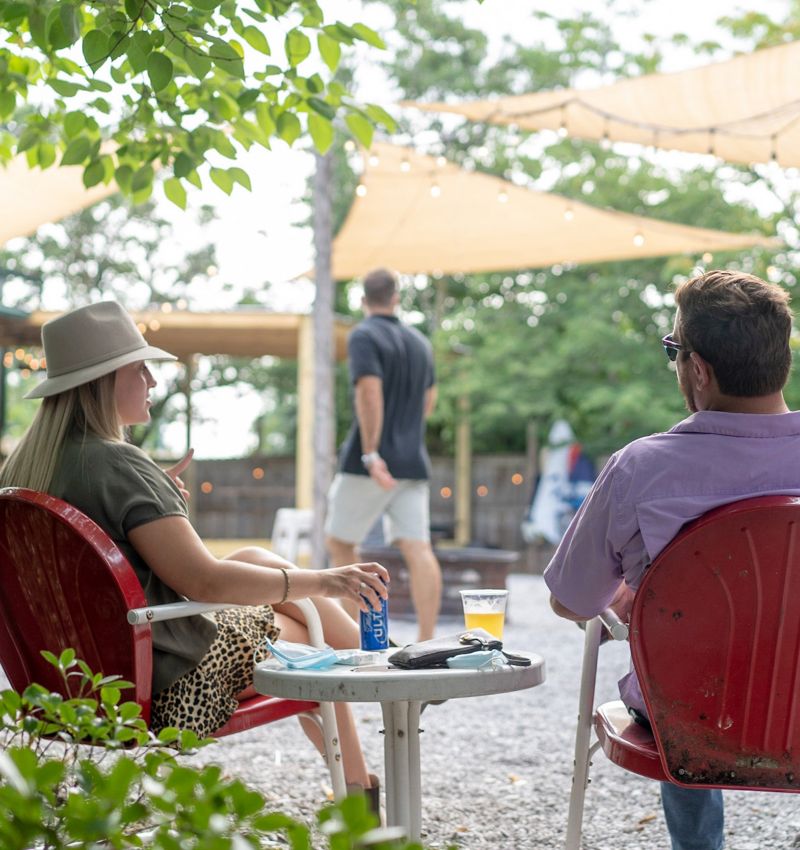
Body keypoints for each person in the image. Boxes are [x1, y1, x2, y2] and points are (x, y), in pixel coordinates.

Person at [0, 300, 387, 799]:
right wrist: (328, 579)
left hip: (66, 684)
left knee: (252, 558)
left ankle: (377, 684)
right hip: (164, 686)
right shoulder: (117, 465)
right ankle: (378, 712)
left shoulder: (22, 475)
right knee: (309, 639)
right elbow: (204, 583)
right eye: (140, 369)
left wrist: (156, 499)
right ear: (106, 380)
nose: (152, 382)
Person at [544, 269, 800, 850]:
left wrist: (649, 598)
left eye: (675, 351)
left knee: (683, 678)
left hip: (690, 714)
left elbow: (570, 601)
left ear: (699, 369)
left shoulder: (641, 467)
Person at [325, 268, 442, 641]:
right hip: (413, 462)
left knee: (340, 542)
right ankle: (427, 642)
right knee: (418, 547)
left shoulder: (363, 335)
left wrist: (372, 452)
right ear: (396, 298)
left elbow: (369, 392)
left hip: (372, 464)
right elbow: (429, 400)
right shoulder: (421, 343)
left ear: (363, 300)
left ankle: (353, 636)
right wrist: (404, 434)